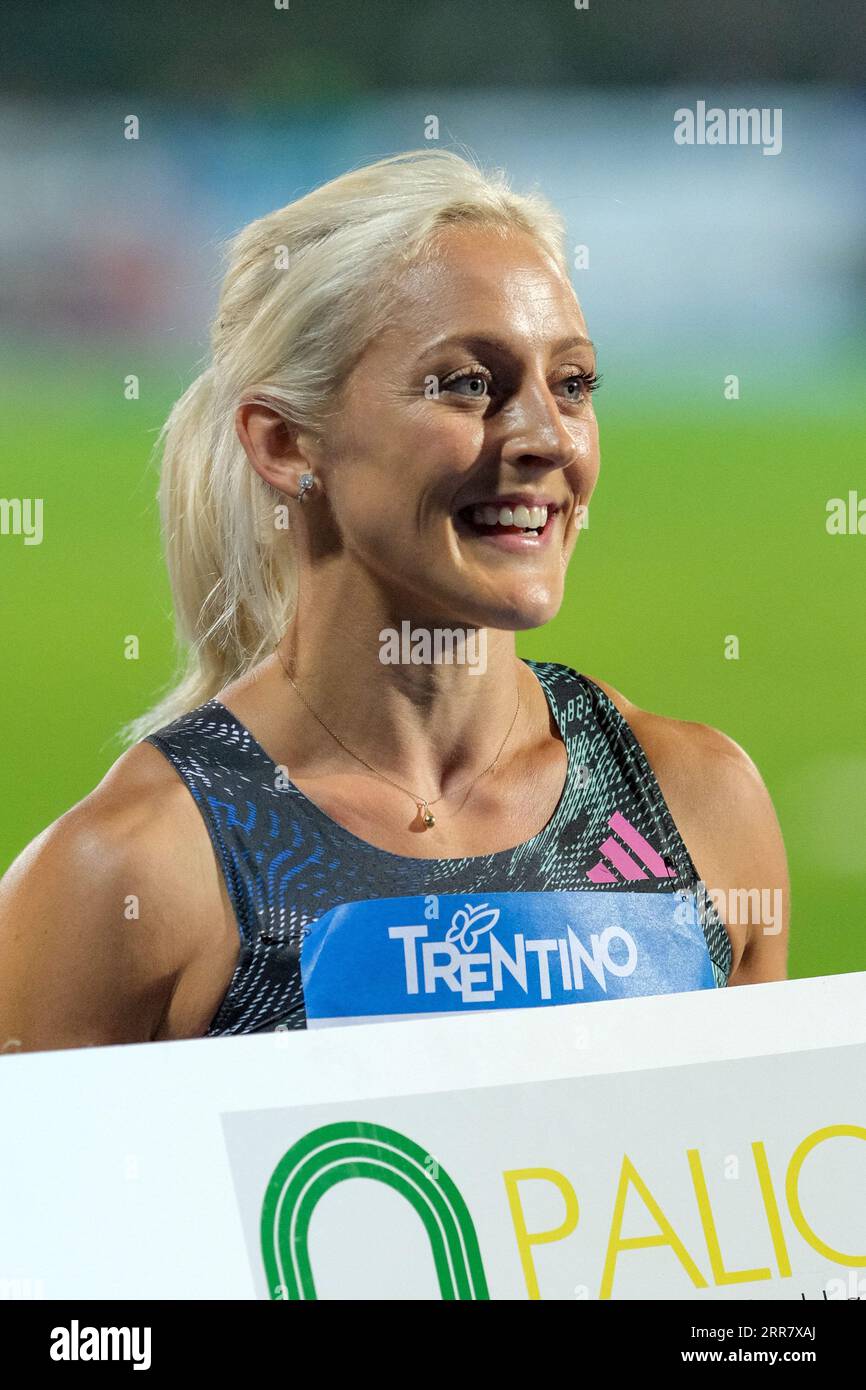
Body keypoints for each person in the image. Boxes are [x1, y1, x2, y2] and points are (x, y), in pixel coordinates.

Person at [0, 150, 789, 1050]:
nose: (545, 438)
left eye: (571, 385)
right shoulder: (133, 874)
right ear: (288, 442)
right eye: (468, 384)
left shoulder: (701, 806)